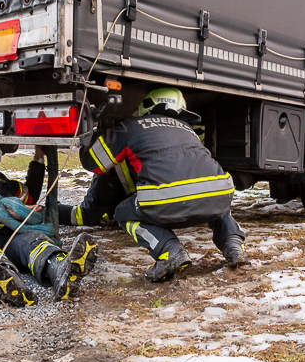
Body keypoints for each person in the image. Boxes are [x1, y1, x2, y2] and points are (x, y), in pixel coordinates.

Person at [78, 87, 248, 282]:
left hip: (165, 199)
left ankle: (169, 250)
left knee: (123, 212)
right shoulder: (188, 130)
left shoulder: (131, 126)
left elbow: (93, 163)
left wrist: (90, 132)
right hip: (220, 191)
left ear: (145, 107)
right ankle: (234, 245)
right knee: (214, 200)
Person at [0, 145, 97, 306]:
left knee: (34, 239)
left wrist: (38, 158)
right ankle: (5, 280)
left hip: (7, 238)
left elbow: (30, 196)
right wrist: (1, 215)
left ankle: (61, 270)